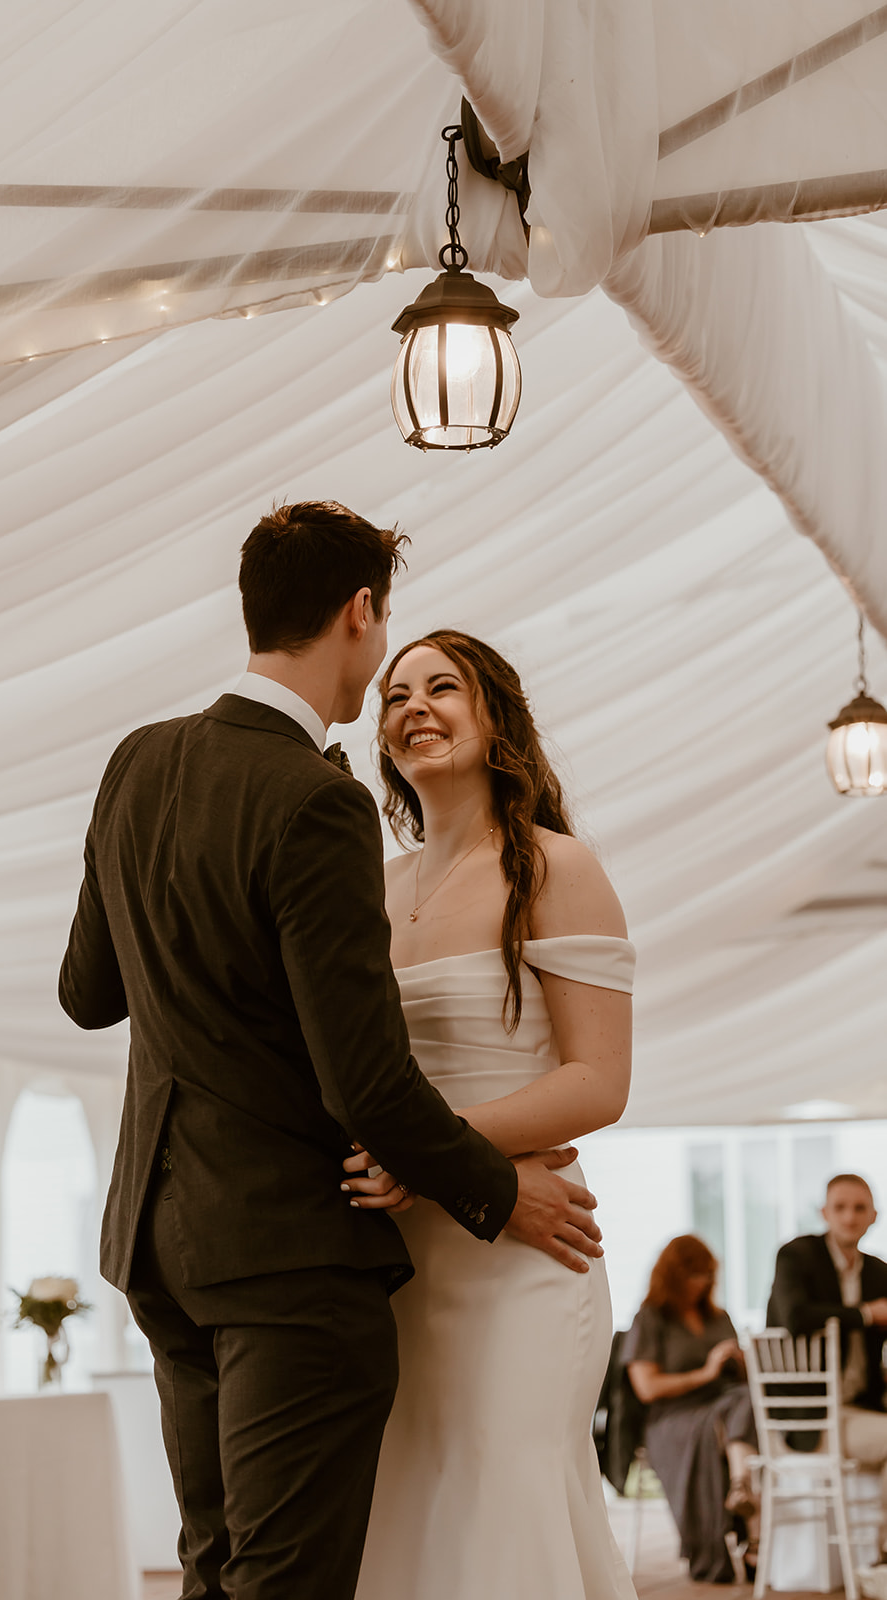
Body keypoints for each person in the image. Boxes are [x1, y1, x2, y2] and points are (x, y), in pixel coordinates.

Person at [58, 505, 604, 1600]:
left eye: (438, 688)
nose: (401, 704)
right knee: (287, 1577)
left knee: (215, 1564)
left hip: (162, 1243)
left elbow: (87, 994)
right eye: (394, 672)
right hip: (293, 1254)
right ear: (360, 613)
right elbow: (358, 1077)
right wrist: (494, 1184)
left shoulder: (137, 762)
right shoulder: (318, 799)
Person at [341, 629, 637, 1600]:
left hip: (527, 1253)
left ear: (494, 714)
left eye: (442, 687)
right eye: (394, 694)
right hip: (402, 1260)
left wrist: (426, 1155)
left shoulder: (554, 866)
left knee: (505, 1500)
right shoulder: (370, 890)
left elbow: (597, 1082)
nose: (413, 706)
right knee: (415, 1507)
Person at [623, 1235, 758, 1584]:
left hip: (726, 1409)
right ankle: (748, 1509)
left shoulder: (718, 1317)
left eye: (706, 1275)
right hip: (673, 1417)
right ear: (674, 1274)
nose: (701, 1282)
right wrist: (707, 1372)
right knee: (742, 1413)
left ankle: (745, 1496)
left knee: (747, 1401)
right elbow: (647, 1388)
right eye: (694, 1274)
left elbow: (739, 1379)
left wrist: (740, 1361)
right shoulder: (650, 1319)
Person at [767, 1173, 887, 1561]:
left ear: (874, 1216)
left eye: (859, 1209)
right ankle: (881, 1555)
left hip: (860, 1408)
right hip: (811, 1416)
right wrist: (867, 1314)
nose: (849, 1218)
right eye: (840, 1207)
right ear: (824, 1213)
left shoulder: (879, 1272)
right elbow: (796, 1317)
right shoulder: (796, 1255)